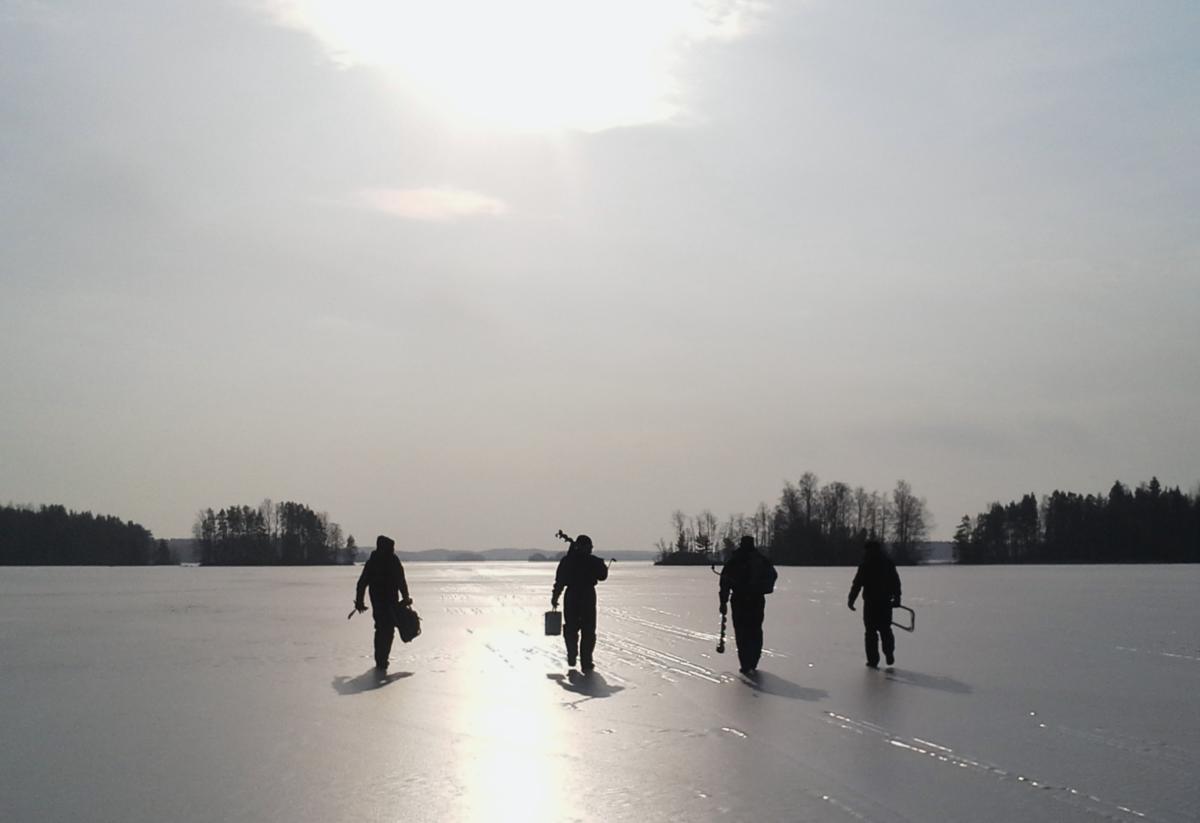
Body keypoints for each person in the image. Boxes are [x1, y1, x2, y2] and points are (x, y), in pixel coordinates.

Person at [719, 536, 776, 675]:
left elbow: (724, 582)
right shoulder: (761, 560)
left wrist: (723, 602)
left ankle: (745, 663)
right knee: (755, 630)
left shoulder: (735, 560)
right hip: (756, 600)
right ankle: (753, 662)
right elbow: (773, 575)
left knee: (742, 631)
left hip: (740, 600)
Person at [551, 534, 608, 672]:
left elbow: (560, 581)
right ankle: (586, 661)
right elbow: (603, 576)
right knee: (587, 631)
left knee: (572, 628)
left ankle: (574, 654)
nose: (591, 549)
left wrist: (555, 597)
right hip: (587, 596)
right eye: (589, 547)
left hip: (572, 596)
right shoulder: (592, 561)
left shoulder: (567, 561)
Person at [355, 535, 412, 672]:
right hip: (387, 601)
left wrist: (359, 601)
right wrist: (405, 597)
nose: (393, 550)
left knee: (382, 629)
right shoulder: (391, 560)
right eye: (391, 547)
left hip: (380, 601)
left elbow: (362, 583)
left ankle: (381, 659)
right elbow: (401, 581)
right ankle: (382, 659)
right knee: (387, 630)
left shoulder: (373, 561)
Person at [847, 539, 902, 668]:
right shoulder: (888, 563)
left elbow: (857, 584)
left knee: (870, 633)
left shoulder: (865, 564)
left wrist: (851, 599)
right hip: (885, 603)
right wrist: (897, 598)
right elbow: (896, 582)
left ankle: (873, 660)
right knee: (886, 630)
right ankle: (889, 653)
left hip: (871, 604)